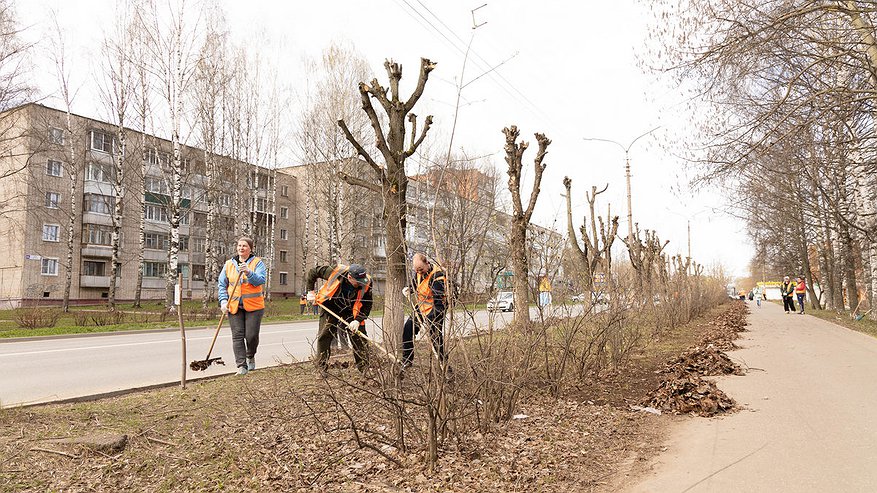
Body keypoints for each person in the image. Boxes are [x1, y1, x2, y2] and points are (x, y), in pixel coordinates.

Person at [305, 263, 373, 374]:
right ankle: (321, 369)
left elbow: (367, 304)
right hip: (330, 305)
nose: (361, 283)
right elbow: (313, 271)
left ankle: (365, 369)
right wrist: (310, 291)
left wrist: (358, 320)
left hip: (351, 309)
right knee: (324, 335)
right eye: (358, 281)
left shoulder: (367, 282)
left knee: (359, 336)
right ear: (350, 277)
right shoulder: (336, 271)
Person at [218, 236, 267, 376]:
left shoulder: (258, 263)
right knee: (237, 336)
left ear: (250, 248)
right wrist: (223, 301)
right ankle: (241, 366)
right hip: (234, 307)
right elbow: (222, 284)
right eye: (239, 245)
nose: (241, 248)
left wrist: (248, 272)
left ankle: (250, 355)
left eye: (244, 246)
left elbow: (260, 280)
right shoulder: (229, 264)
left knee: (251, 336)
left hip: (254, 307)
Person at [401, 253, 448, 371]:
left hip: (436, 309)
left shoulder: (437, 277)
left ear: (427, 263)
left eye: (421, 269)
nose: (419, 272)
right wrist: (409, 289)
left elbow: (439, 303)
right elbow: (415, 283)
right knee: (408, 329)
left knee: (435, 337)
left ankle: (445, 366)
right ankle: (407, 360)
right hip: (421, 308)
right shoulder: (419, 272)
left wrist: (430, 320)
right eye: (417, 270)